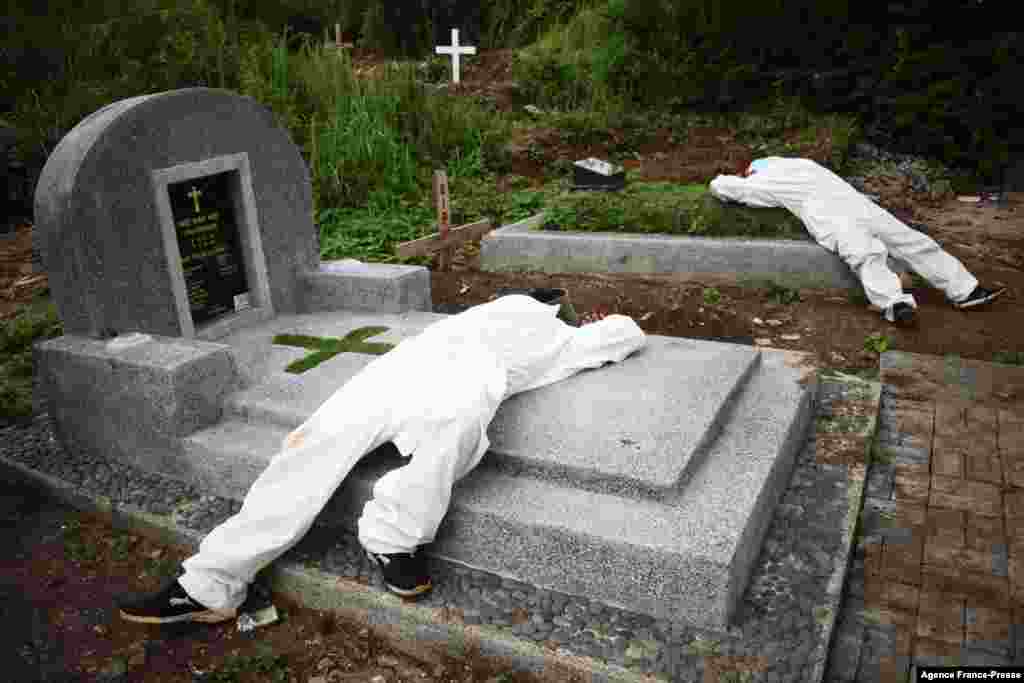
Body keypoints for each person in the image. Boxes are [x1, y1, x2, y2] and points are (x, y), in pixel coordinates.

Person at [117, 293, 646, 624]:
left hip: (472, 377)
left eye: (562, 298)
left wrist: (607, 321)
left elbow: (627, 333)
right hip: (406, 365)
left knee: (458, 433)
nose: (554, 297)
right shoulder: (499, 305)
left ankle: (393, 537)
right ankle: (209, 584)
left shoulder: (567, 337)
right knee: (311, 445)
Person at [709, 157, 1006, 325]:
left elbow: (729, 188)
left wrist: (718, 180)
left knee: (867, 257)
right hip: (861, 207)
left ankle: (896, 304)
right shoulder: (801, 163)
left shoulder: (766, 179)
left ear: (751, 170)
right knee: (912, 242)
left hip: (834, 218)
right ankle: (967, 290)